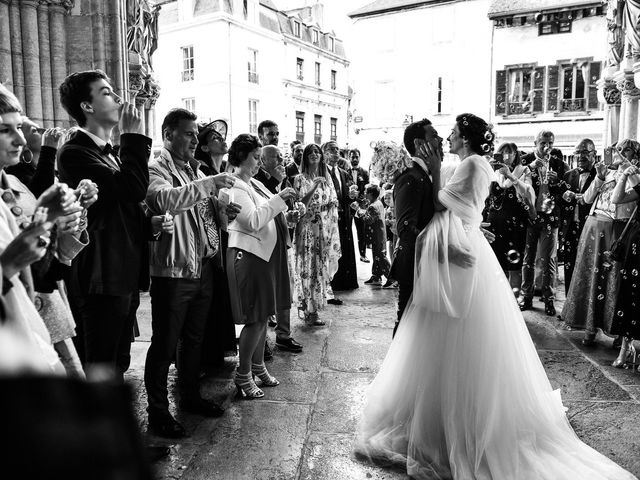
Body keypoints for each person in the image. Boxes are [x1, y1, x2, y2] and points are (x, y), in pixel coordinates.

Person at [355, 113, 638, 480]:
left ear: (467, 139)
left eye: (453, 133)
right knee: (442, 337)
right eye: (442, 136)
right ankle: (437, 415)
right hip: (459, 248)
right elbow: (454, 211)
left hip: (457, 255)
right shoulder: (471, 163)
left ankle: (458, 424)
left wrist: (439, 171)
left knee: (457, 337)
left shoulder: (471, 164)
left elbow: (443, 203)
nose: (447, 138)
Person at [143, 108, 237, 437]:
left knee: (194, 341)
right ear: (168, 134)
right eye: (188, 133)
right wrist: (207, 183)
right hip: (174, 270)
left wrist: (221, 208)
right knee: (165, 344)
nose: (195, 138)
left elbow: (199, 214)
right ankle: (157, 412)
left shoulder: (191, 168)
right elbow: (163, 201)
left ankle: (190, 397)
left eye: (197, 134)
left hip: (203, 266)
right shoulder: (157, 166)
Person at [57, 70, 151, 380]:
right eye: (107, 92)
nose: (119, 98)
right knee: (99, 365)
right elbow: (131, 188)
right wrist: (134, 137)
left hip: (120, 271)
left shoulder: (107, 152)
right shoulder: (75, 153)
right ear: (87, 106)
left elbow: (122, 205)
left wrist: (150, 225)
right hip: (100, 275)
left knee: (118, 361)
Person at [224, 134, 297, 398]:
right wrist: (280, 200)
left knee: (264, 317)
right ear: (241, 157)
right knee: (255, 320)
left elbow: (268, 213)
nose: (258, 163)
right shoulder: (235, 186)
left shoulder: (252, 184)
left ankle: (258, 365)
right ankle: (243, 374)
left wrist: (285, 214)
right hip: (250, 256)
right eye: (255, 157)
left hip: (263, 257)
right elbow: (252, 220)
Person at [562, 140, 640, 346]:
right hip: (594, 224)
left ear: (636, 154)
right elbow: (588, 200)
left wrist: (626, 170)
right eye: (618, 149)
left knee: (614, 280)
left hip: (616, 229)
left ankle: (618, 333)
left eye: (626, 150)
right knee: (590, 276)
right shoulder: (608, 171)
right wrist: (600, 175)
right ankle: (589, 326)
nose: (621, 153)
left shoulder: (635, 173)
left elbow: (628, 197)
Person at [388, 119, 439, 337]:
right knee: (406, 326)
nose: (441, 140)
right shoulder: (411, 177)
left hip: (423, 264)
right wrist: (442, 248)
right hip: (413, 266)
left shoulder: (424, 174)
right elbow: (406, 230)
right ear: (419, 143)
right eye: (434, 136)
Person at [255, 145, 303, 353]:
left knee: (286, 288)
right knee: (266, 293)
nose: (282, 162)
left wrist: (289, 217)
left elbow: (277, 210)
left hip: (282, 239)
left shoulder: (280, 180)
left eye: (282, 158)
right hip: (264, 244)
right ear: (263, 161)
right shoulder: (257, 181)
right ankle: (262, 340)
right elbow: (261, 212)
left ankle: (284, 334)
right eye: (276, 158)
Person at [518, 130, 567, 316]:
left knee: (549, 260)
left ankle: (549, 299)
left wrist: (557, 182)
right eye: (543, 143)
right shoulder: (525, 160)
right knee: (527, 258)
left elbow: (565, 193)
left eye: (551, 143)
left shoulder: (559, 164)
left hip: (550, 218)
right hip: (530, 216)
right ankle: (526, 296)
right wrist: (530, 167)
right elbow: (515, 181)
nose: (547, 147)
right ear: (535, 142)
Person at [292, 144, 341, 325]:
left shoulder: (326, 179)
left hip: (322, 230)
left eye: (317, 152)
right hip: (307, 232)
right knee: (308, 270)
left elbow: (333, 203)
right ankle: (308, 310)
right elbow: (299, 207)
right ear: (305, 157)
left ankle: (314, 311)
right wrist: (313, 188)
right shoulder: (299, 179)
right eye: (310, 152)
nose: (314, 154)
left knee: (319, 270)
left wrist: (330, 206)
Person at [484, 143, 536, 291]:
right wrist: (487, 170)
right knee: (495, 264)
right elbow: (484, 196)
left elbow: (527, 193)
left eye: (510, 153)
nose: (506, 156)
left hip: (515, 225)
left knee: (514, 265)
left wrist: (510, 175)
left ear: (516, 155)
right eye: (502, 153)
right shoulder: (492, 172)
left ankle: (513, 301)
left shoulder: (523, 171)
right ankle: (497, 298)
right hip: (494, 223)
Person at [609, 163, 640, 368]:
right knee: (630, 293)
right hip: (638, 243)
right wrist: (624, 176)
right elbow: (616, 199)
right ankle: (624, 349)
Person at [558, 139, 598, 295]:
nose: (580, 156)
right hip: (570, 228)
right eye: (578, 152)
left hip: (590, 227)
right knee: (569, 266)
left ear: (594, 154)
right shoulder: (569, 175)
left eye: (585, 152)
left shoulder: (600, 175)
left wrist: (576, 196)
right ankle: (569, 305)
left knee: (588, 267)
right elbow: (559, 203)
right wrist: (562, 197)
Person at [323, 141, 359, 293]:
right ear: (325, 153)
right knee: (332, 248)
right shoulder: (322, 173)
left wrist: (352, 196)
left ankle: (347, 281)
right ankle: (333, 282)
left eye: (337, 149)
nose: (336, 152)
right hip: (330, 218)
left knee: (345, 247)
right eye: (332, 149)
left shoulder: (343, 173)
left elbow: (349, 197)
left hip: (344, 218)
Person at [357, 184, 390, 286]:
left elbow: (369, 220)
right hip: (379, 234)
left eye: (366, 192)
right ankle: (376, 276)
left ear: (371, 194)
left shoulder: (373, 206)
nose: (364, 194)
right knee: (376, 255)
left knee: (381, 256)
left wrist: (359, 211)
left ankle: (392, 278)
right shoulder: (378, 202)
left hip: (377, 235)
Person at [348, 149, 371, 262]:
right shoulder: (344, 172)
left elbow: (366, 191)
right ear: (349, 158)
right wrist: (350, 201)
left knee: (361, 231)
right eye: (352, 157)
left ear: (359, 158)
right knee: (347, 230)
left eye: (357, 157)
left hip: (360, 206)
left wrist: (359, 202)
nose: (355, 159)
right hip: (348, 206)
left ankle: (363, 254)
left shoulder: (365, 172)